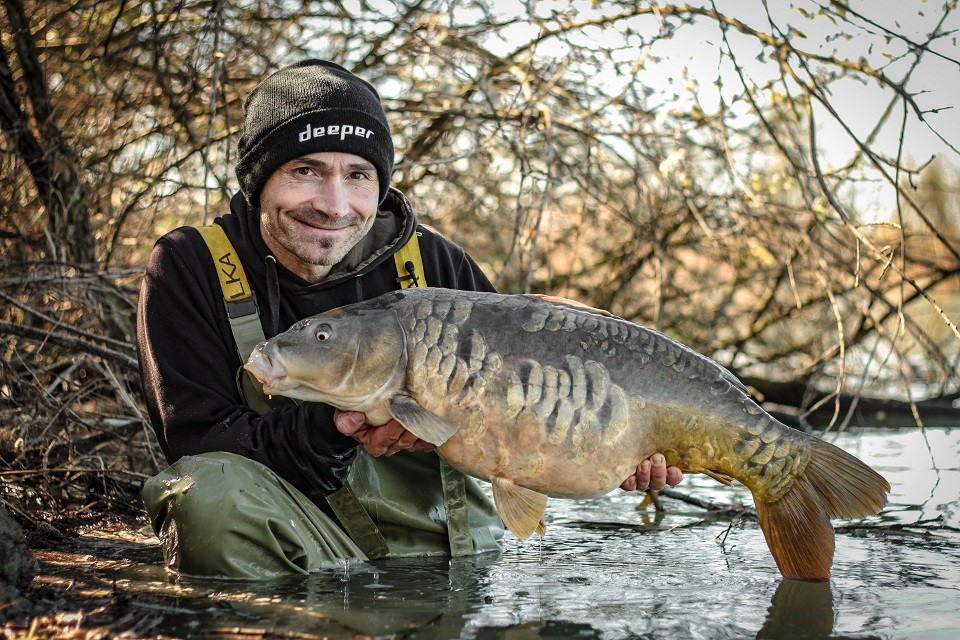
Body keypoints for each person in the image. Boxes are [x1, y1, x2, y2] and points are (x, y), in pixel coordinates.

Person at [136, 59, 682, 579]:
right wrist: (332, 429)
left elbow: (533, 410)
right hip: (297, 541)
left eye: (357, 175)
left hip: (454, 544)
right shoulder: (190, 267)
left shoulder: (436, 266)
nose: (334, 203)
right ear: (258, 180)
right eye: (305, 171)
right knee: (202, 497)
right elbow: (199, 446)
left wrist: (622, 448)